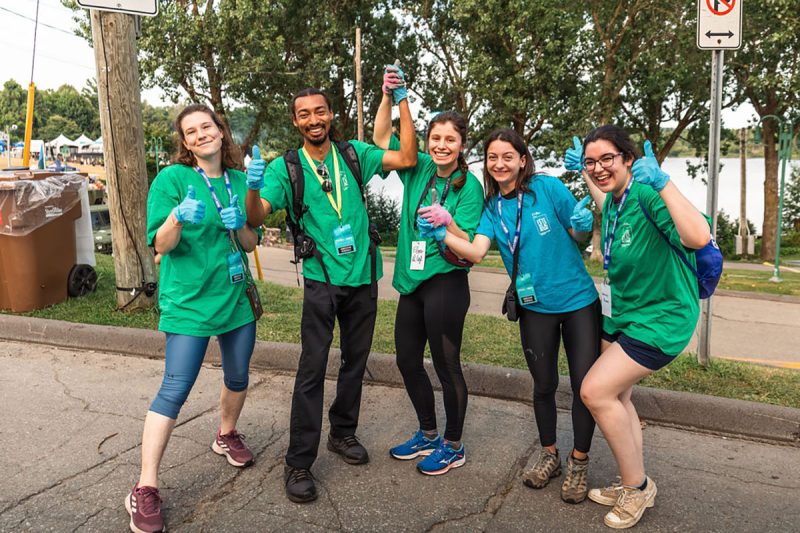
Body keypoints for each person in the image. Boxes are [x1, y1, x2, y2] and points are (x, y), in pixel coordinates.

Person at [244, 87, 417, 503]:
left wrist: (401, 102)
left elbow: (408, 158)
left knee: (356, 363)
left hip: (363, 276)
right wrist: (252, 188)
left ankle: (342, 433)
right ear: (296, 122)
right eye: (304, 114)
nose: (313, 119)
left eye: (319, 111)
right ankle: (298, 462)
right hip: (322, 279)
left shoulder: (354, 154)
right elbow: (255, 216)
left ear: (330, 113)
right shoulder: (285, 169)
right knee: (312, 370)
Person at [442, 128, 602, 500]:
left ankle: (579, 463)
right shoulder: (491, 208)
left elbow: (579, 232)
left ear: (522, 160)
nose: (500, 164)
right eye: (493, 157)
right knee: (543, 385)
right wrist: (442, 233)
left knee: (585, 388)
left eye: (507, 157)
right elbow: (476, 251)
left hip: (579, 303)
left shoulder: (546, 188)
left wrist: (581, 222)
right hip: (534, 309)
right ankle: (550, 456)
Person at [566, 126, 711, 529]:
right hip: (627, 315)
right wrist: (586, 174)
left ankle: (638, 486)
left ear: (629, 159)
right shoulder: (615, 199)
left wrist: (664, 183)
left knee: (595, 391)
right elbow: (604, 193)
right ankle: (635, 481)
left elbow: (698, 235)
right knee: (620, 397)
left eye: (606, 159)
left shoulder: (647, 193)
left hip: (662, 319)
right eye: (590, 162)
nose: (598, 168)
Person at [128, 104, 261, 533]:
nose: (202, 134)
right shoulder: (172, 180)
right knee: (174, 388)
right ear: (185, 143)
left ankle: (226, 433)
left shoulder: (239, 181)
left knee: (238, 376)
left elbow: (250, 242)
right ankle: (145, 487)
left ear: (221, 132)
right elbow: (160, 244)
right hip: (187, 303)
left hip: (234, 299)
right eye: (192, 131)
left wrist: (241, 222)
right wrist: (176, 218)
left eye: (207, 126)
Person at [372, 65, 484, 476]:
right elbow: (383, 139)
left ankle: (454, 445)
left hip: (446, 282)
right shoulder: (416, 167)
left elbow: (471, 244)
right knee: (406, 360)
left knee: (446, 364)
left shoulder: (468, 186)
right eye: (435, 138)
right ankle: (428, 433)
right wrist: (391, 98)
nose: (440, 145)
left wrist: (445, 224)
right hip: (411, 282)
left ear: (460, 145)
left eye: (449, 140)